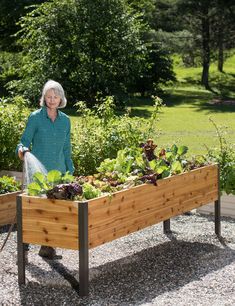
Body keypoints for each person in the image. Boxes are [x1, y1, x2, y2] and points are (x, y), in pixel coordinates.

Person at [16, 80, 74, 260]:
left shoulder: (65, 121)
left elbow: (66, 148)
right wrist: (22, 150)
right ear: (44, 98)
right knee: (32, 210)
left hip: (58, 172)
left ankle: (47, 248)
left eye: (55, 97)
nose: (52, 100)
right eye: (48, 97)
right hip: (37, 174)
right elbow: (24, 141)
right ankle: (23, 251)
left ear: (61, 99)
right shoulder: (35, 117)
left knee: (54, 211)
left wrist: (69, 169)